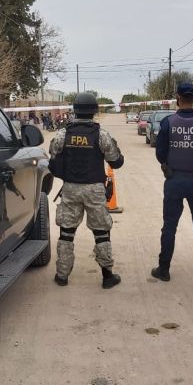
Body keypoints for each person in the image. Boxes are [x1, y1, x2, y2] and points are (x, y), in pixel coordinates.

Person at [48, 92, 125, 289]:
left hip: (71, 189)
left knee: (66, 233)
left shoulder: (63, 134)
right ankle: (107, 276)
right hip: (94, 190)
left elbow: (53, 157)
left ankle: (62, 276)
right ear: (93, 111)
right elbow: (116, 162)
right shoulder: (101, 135)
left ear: (75, 111)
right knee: (101, 233)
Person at [152, 82, 193, 284]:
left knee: (169, 227)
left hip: (174, 180)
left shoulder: (168, 122)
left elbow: (160, 153)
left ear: (177, 98)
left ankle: (164, 269)